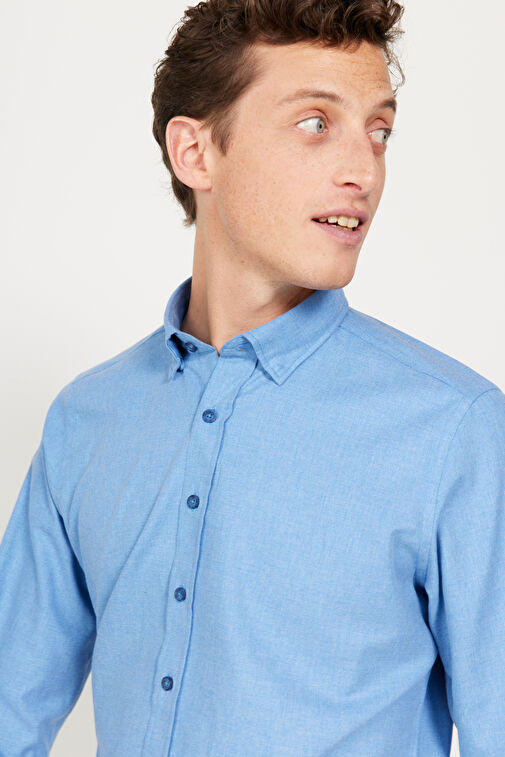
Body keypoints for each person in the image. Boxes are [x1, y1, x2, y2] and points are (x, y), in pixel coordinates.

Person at [1, 0, 504, 754]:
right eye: (315, 123)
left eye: (379, 131)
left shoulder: (455, 429)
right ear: (195, 152)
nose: (362, 170)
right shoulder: (87, 418)